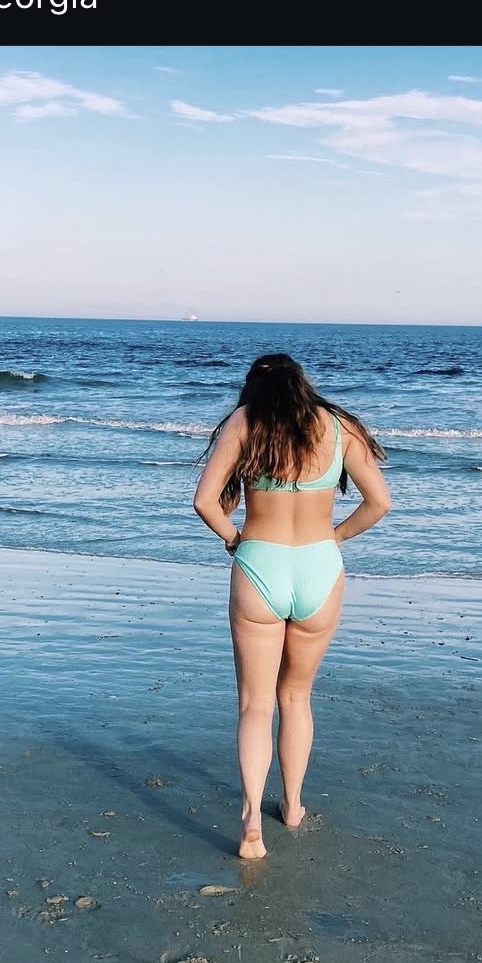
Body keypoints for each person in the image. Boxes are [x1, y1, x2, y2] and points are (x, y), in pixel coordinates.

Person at [194, 352, 391, 859]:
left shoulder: (245, 421)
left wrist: (233, 538)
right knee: (297, 697)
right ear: (302, 384)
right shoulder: (341, 426)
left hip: (259, 564)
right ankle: (295, 805)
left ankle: (251, 822)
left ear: (252, 388)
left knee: (254, 705)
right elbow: (379, 503)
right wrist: (335, 537)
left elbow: (204, 501)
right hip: (319, 568)